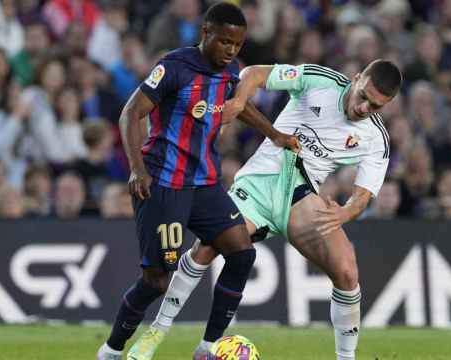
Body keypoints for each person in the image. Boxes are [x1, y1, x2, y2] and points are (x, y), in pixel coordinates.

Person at [133, 59, 402, 360]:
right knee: (205, 248)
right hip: (260, 182)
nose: (364, 108)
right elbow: (254, 74)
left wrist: (345, 212)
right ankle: (158, 330)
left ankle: (346, 358)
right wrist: (238, 100)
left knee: (347, 272)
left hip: (300, 197)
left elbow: (363, 196)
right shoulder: (318, 80)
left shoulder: (376, 139)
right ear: (356, 79)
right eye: (363, 96)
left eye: (375, 106)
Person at [96, 3, 299, 360]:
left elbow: (240, 104)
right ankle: (111, 351)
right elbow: (132, 112)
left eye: (237, 45)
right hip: (163, 183)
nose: (231, 51)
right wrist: (137, 168)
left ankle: (207, 348)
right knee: (157, 280)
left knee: (242, 253)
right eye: (224, 42)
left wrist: (275, 134)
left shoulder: (229, 71)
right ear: (205, 33)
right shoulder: (174, 67)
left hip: (204, 183)